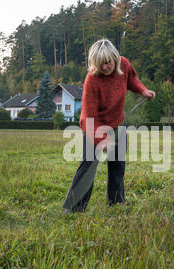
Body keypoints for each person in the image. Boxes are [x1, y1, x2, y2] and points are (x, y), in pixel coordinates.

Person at [62, 39, 156, 213]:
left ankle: (116, 203)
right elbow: (88, 117)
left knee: (117, 165)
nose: (105, 67)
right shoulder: (92, 79)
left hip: (118, 123)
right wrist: (102, 140)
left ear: (115, 58)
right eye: (100, 65)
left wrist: (142, 90)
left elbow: (132, 79)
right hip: (94, 127)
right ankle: (73, 209)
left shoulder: (124, 64)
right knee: (88, 165)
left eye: (107, 62)